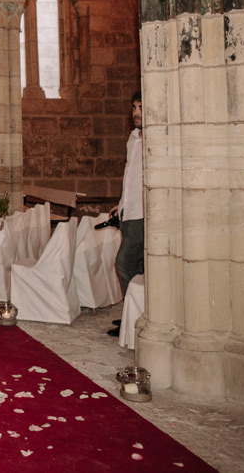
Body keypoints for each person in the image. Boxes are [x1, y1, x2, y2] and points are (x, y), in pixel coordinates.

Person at [108, 92, 143, 337]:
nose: (136, 113)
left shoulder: (156, 139)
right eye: (134, 108)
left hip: (143, 212)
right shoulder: (133, 139)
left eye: (141, 107)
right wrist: (120, 205)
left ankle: (136, 317)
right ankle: (133, 316)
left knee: (124, 262)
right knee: (137, 266)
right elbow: (129, 179)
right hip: (129, 211)